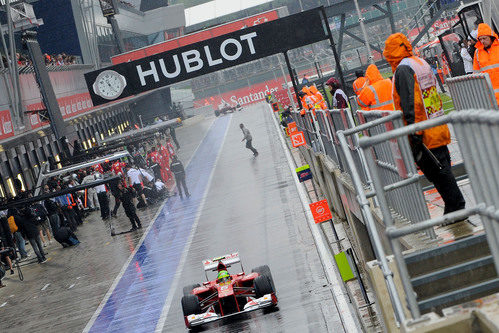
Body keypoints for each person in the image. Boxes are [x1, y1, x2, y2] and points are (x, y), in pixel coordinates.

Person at [383, 33, 465, 219]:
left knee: (439, 173)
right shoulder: (419, 62)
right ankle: (453, 208)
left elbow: (410, 103)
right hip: (436, 124)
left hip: (423, 132)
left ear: (391, 52)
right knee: (443, 170)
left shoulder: (403, 70)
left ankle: (457, 208)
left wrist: (414, 133)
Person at [473, 23, 499, 105]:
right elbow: (476, 74)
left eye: (484, 38)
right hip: (491, 96)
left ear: (491, 37)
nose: (482, 41)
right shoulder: (477, 52)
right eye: (480, 39)